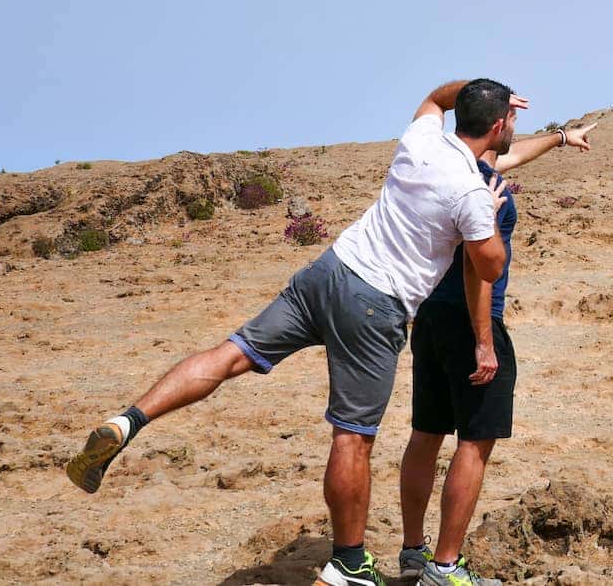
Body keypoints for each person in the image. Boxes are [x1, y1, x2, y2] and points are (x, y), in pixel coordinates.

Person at [66, 79, 526, 586]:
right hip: (374, 307)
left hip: (327, 271)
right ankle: (350, 561)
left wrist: (479, 89)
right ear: (500, 124)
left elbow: (436, 98)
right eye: (511, 118)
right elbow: (488, 267)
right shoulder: (470, 188)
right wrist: (488, 201)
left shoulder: (421, 139)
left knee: (232, 353)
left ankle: (129, 421)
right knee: (353, 437)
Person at [396, 121, 595, 586]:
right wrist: (485, 342)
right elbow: (477, 272)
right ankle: (444, 568)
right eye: (510, 121)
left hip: (428, 321)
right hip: (472, 324)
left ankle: (412, 552)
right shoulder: (487, 192)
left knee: (426, 434)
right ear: (495, 127)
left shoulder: (446, 167)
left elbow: (511, 156)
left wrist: (562, 138)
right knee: (473, 444)